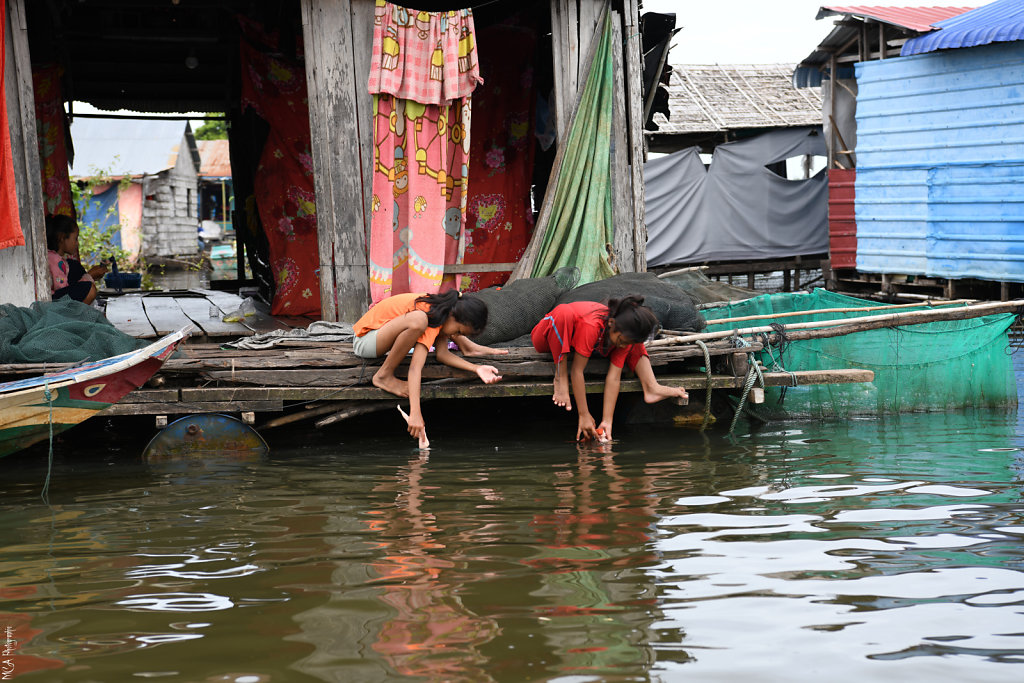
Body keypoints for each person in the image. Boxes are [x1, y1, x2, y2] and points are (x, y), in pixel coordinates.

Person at [352, 291, 507, 441]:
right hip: (365, 341)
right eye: (458, 331)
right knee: (418, 319)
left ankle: (385, 375)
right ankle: (384, 376)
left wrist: (476, 368)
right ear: (453, 316)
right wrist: (415, 413)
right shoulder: (428, 316)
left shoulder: (440, 314)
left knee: (420, 320)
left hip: (377, 340)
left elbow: (442, 354)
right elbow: (415, 368)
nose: (456, 336)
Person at [531, 294, 688, 442]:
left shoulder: (623, 334)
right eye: (621, 340)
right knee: (563, 312)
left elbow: (614, 377)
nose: (623, 345)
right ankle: (560, 376)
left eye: (625, 342)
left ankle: (651, 387)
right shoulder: (591, 325)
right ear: (611, 324)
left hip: (583, 343)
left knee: (635, 341)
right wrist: (584, 414)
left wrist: (607, 421)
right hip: (548, 336)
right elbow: (578, 371)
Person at [45, 214, 107, 304]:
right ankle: (71, 316)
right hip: (55, 303)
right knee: (89, 289)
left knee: (76, 269)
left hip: (57, 297)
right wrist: (90, 276)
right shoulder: (55, 260)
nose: (77, 243)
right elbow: (63, 292)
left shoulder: (56, 258)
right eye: (75, 238)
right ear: (62, 238)